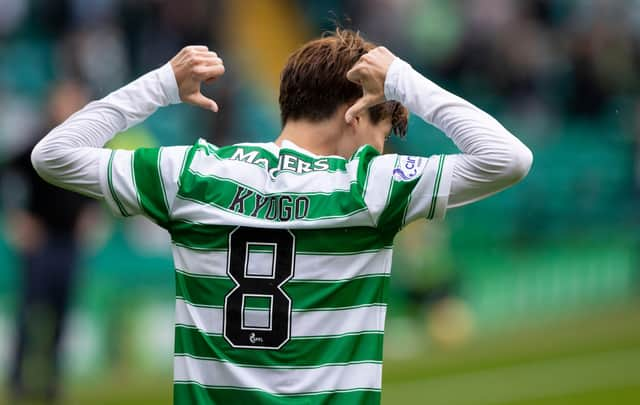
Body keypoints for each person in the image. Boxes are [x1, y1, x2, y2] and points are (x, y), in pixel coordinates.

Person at [31, 29, 532, 404]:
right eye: (381, 135)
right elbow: (509, 159)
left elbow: (53, 155)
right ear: (355, 113)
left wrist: (160, 86)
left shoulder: (192, 172)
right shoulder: (368, 187)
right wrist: (402, 79)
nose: (380, 151)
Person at [5, 81, 92, 404]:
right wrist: (16, 216)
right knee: (29, 315)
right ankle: (17, 382)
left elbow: (99, 186)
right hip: (40, 244)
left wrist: (92, 215)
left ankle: (53, 383)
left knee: (61, 316)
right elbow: (7, 173)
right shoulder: (37, 142)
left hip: (70, 244)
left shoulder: (87, 143)